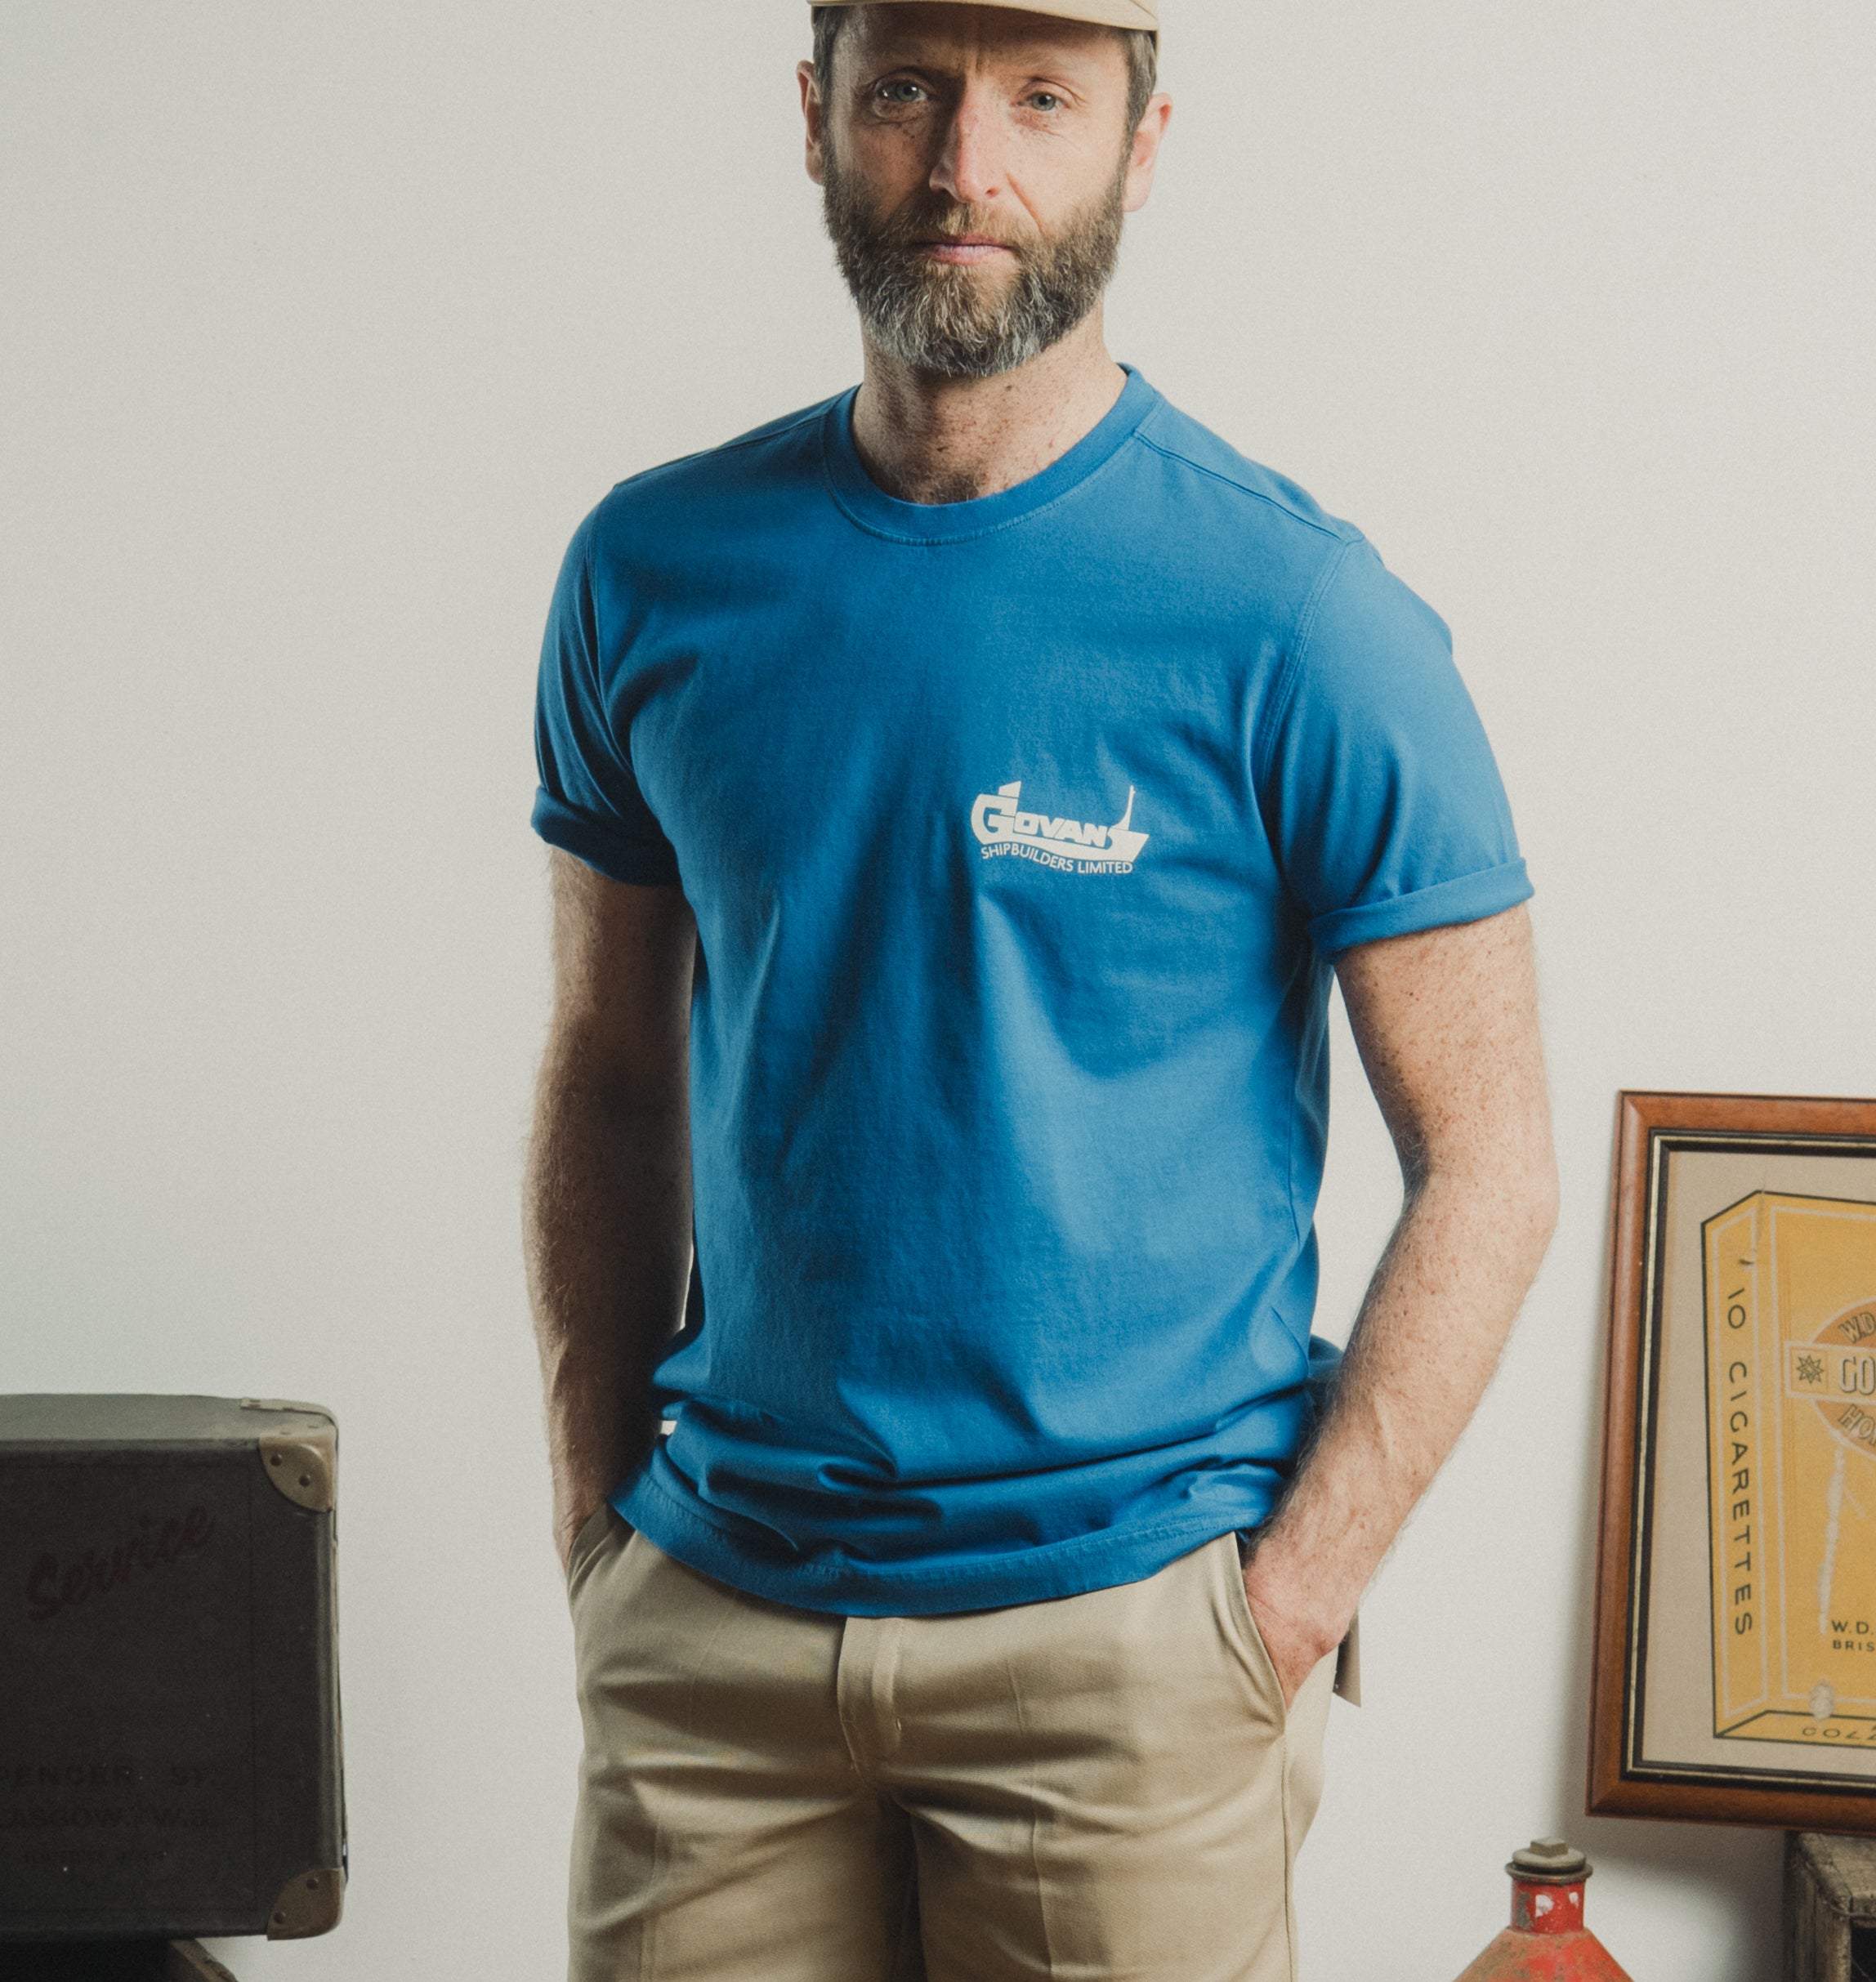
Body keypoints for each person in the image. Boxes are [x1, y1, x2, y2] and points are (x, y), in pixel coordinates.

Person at [525, 3, 1558, 1977]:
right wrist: (599, 1527)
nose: (961, 165)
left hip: (1130, 1655)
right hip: (714, 1641)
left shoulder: (1298, 618)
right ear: (815, 112)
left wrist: (1277, 1614)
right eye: (907, 85)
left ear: (1143, 142)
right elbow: (605, 1077)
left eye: (1040, 99)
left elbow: (1490, 1159)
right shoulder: (648, 572)